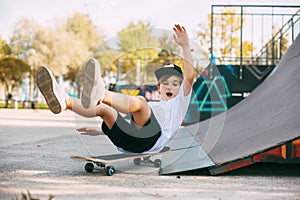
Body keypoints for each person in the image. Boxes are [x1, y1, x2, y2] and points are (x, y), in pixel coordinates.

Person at [36, 24, 195, 154]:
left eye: (175, 84)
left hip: (150, 142)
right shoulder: (153, 107)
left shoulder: (179, 103)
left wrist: (185, 45)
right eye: (166, 83)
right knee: (105, 110)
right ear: (159, 88)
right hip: (127, 143)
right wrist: (99, 131)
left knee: (140, 102)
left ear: (181, 88)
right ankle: (66, 102)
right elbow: (128, 124)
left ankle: (102, 93)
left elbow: (189, 77)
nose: (170, 87)